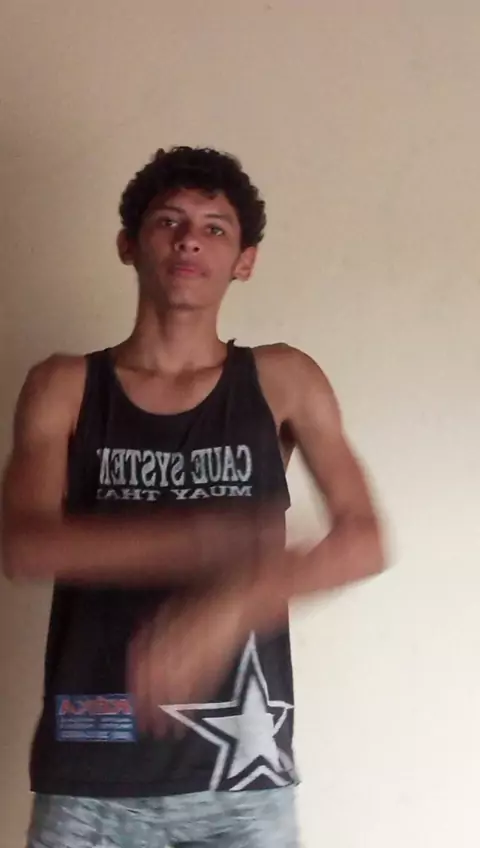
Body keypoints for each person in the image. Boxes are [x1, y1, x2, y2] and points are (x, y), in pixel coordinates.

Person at [1, 146, 384, 848]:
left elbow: (364, 540)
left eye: (215, 228)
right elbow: (24, 544)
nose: (189, 240)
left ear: (245, 260)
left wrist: (235, 601)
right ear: (128, 244)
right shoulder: (64, 385)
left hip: (244, 782)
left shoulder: (282, 379)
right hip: (91, 776)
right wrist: (207, 541)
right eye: (168, 222)